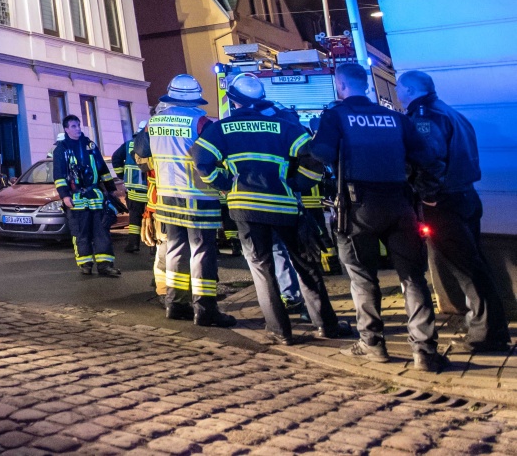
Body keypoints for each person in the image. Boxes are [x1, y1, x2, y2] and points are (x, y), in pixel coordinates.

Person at [191, 73, 350, 346]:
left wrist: (225, 183)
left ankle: (280, 331)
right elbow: (314, 159)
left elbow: (200, 158)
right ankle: (327, 325)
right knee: (306, 267)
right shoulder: (284, 126)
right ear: (261, 99)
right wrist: (296, 184)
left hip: (246, 209)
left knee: (262, 269)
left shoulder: (222, 129)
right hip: (285, 206)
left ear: (232, 100)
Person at [309, 62, 448, 372]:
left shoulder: (335, 116)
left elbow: (321, 153)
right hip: (400, 205)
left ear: (340, 85)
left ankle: (373, 345)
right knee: (413, 278)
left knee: (362, 278)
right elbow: (426, 157)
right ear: (367, 85)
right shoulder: (396, 118)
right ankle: (425, 351)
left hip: (358, 208)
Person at [399, 70, 512, 354]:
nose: (398, 94)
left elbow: (430, 158)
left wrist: (429, 196)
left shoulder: (425, 116)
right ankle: (492, 329)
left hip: (445, 202)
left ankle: (485, 335)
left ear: (411, 91)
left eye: (400, 89)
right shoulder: (451, 113)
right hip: (466, 197)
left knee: (466, 269)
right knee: (473, 265)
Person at [140, 74, 235, 327]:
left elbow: (140, 151)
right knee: (202, 252)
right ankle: (205, 309)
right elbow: (216, 157)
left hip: (167, 199)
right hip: (198, 197)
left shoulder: (154, 122)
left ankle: (176, 304)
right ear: (195, 98)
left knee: (175, 250)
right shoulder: (202, 122)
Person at [53, 115, 125, 277]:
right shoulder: (62, 149)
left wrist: (110, 188)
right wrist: (65, 196)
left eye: (78, 125)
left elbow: (102, 168)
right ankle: (85, 264)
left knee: (102, 232)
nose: (77, 128)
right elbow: (59, 175)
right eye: (73, 126)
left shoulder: (90, 145)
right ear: (66, 129)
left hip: (95, 196)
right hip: (76, 198)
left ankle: (105, 265)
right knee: (81, 232)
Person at [112, 121, 149, 253]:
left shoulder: (128, 145)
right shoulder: (153, 143)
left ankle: (133, 244)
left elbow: (115, 158)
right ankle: (153, 247)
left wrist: (122, 174)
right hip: (151, 190)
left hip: (134, 189)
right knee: (152, 217)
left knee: (134, 218)